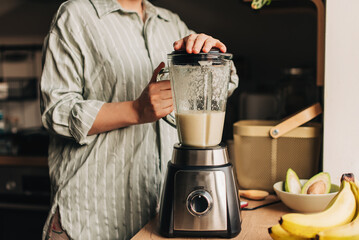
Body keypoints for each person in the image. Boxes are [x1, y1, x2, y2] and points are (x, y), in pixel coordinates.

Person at [40, 0, 239, 239]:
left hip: (155, 219)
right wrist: (137, 110)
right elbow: (57, 111)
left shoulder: (170, 22)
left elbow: (222, 84)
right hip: (90, 220)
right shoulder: (77, 15)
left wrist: (212, 55)